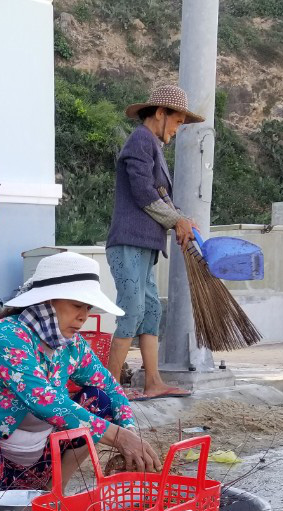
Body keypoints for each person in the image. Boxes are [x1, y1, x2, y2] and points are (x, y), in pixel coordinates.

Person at [0, 251, 163, 511]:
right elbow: (45, 401)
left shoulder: (71, 346)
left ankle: (53, 493)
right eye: (77, 305)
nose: (83, 316)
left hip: (35, 469)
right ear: (48, 301)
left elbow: (109, 386)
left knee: (101, 401)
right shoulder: (8, 335)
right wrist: (118, 437)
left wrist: (128, 429)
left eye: (87, 308)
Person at [105, 83, 204, 400]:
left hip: (145, 246)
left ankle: (153, 382)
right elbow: (144, 194)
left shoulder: (152, 146)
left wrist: (182, 219)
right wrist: (177, 220)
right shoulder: (140, 141)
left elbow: (160, 197)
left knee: (150, 311)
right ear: (160, 113)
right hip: (128, 243)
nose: (177, 128)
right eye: (177, 121)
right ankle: (108, 390)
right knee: (131, 310)